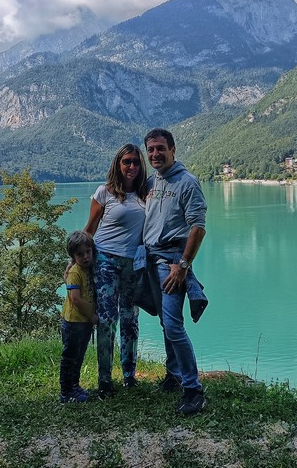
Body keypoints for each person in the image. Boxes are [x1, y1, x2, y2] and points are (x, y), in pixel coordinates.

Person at [143, 128, 208, 415]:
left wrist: (183, 266)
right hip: (151, 261)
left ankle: (193, 390)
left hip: (171, 263)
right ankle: (174, 374)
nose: (155, 154)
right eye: (151, 150)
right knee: (164, 323)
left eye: (160, 148)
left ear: (173, 150)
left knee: (173, 325)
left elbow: (198, 227)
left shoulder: (187, 182)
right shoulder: (152, 181)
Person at [84, 143, 148, 399]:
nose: (131, 166)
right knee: (107, 321)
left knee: (130, 321)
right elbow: (89, 229)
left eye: (135, 161)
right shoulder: (105, 192)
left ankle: (129, 376)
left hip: (134, 265)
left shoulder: (147, 193)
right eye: (126, 162)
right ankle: (104, 381)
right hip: (106, 263)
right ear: (118, 165)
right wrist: (75, 261)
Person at [59, 230, 98, 403]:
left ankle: (74, 386)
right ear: (73, 256)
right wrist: (92, 315)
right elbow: (75, 299)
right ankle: (66, 392)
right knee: (70, 357)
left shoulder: (88, 268)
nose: (85, 257)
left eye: (88, 252)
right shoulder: (75, 272)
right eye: (80, 254)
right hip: (74, 322)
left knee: (79, 356)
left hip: (83, 323)